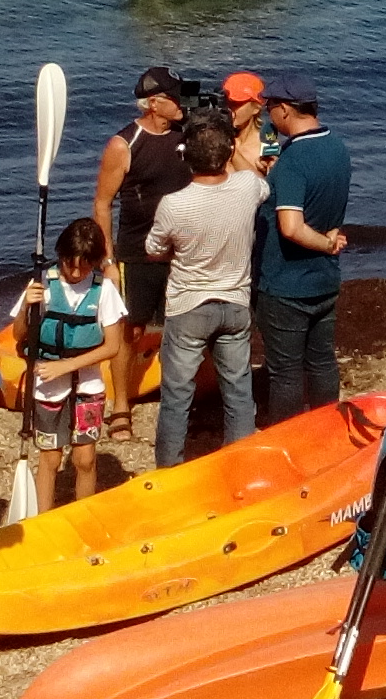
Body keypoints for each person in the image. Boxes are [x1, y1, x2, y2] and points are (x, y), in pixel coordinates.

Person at [146, 122, 267, 469]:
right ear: (227, 153)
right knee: (239, 391)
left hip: (189, 305)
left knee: (177, 395)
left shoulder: (174, 204)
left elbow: (154, 248)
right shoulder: (246, 187)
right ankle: (240, 464)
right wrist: (236, 151)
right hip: (235, 302)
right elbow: (259, 184)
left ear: (187, 159)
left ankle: (169, 470)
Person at [90, 67, 192, 436]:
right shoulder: (124, 144)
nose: (182, 102)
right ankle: (120, 405)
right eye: (174, 96)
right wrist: (107, 262)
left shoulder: (187, 132)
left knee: (184, 325)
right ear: (153, 103)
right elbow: (102, 204)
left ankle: (181, 395)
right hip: (138, 253)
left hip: (182, 251)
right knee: (129, 331)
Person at [254, 74, 352, 421]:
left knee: (285, 371)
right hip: (324, 280)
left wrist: (326, 244)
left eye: (270, 109)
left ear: (284, 110)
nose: (268, 117)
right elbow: (327, 204)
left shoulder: (294, 159)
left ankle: (287, 438)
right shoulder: (337, 147)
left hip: (286, 283)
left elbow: (291, 227)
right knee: (322, 360)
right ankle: (326, 426)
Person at [19, 218, 128, 509]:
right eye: (70, 264)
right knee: (51, 457)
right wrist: (25, 309)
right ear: (61, 256)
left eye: (84, 266)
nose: (76, 272)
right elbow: (20, 335)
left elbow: (113, 346)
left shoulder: (103, 289)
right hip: (48, 388)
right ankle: (43, 519)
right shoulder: (43, 285)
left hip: (87, 384)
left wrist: (67, 367)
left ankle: (83, 514)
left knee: (85, 458)